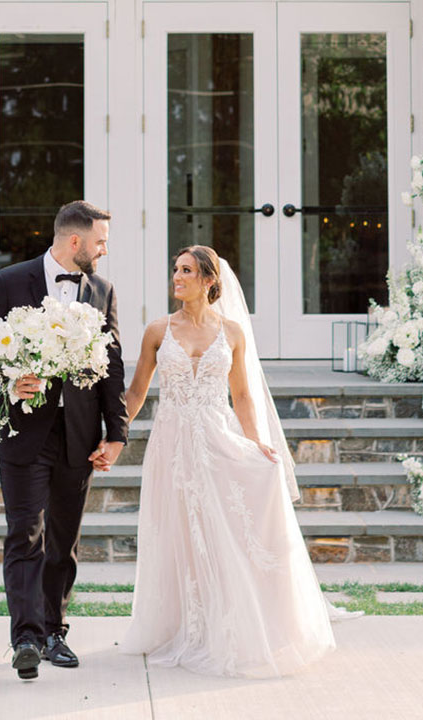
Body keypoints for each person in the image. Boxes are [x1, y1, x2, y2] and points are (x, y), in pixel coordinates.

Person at [119, 245, 359, 678]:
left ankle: (230, 620)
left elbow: (243, 396)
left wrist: (259, 445)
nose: (177, 277)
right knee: (176, 530)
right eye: (175, 269)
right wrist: (113, 434)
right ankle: (182, 622)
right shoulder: (158, 330)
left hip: (216, 438)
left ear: (210, 281)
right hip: (170, 445)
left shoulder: (231, 333)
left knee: (225, 527)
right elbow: (136, 393)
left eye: (187, 271)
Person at [0, 201, 129, 680]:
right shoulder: (8, 282)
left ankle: (53, 631)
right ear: (76, 241)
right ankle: (24, 637)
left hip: (79, 436)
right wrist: (9, 381)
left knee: (63, 539)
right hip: (24, 432)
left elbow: (113, 365)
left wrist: (117, 432)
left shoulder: (102, 290)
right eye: (100, 242)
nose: (105, 251)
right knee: (26, 534)